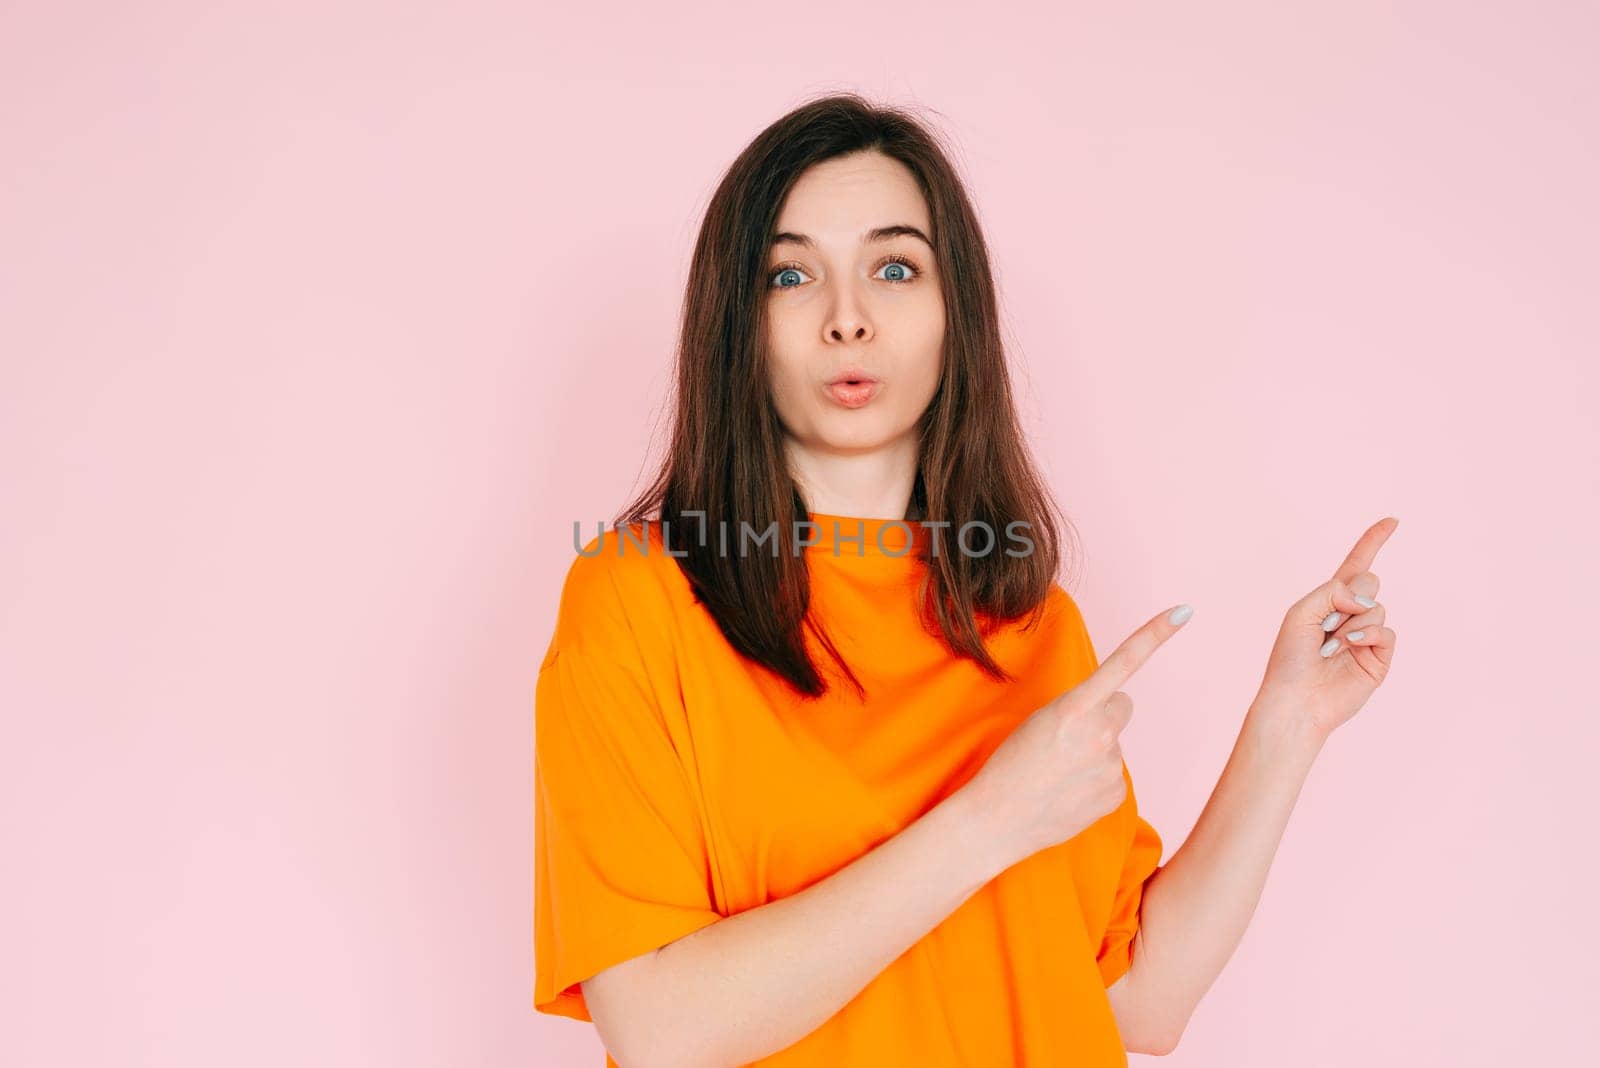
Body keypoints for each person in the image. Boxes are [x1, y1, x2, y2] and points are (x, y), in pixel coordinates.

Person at [533, 93, 1399, 1067]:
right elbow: (659, 1031)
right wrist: (987, 821)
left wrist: (1289, 722)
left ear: (958, 313)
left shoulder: (1031, 625)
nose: (847, 321)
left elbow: (1132, 1005)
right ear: (737, 321)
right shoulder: (638, 601)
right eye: (790, 275)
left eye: (894, 268)